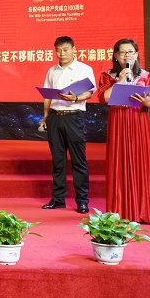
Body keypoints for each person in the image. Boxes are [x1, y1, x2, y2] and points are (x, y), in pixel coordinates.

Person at [95, 39, 150, 224]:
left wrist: (149, 103)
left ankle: (143, 211)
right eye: (122, 52)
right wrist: (120, 81)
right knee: (119, 162)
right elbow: (104, 98)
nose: (127, 56)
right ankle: (120, 211)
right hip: (118, 121)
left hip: (139, 121)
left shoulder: (147, 75)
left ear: (137, 54)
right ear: (116, 56)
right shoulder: (108, 76)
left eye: (130, 52)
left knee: (141, 162)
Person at [38, 35, 96, 213]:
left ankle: (82, 201)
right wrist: (45, 116)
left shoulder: (84, 69)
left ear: (73, 50)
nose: (61, 53)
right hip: (55, 117)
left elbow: (90, 92)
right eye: (58, 50)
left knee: (79, 160)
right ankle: (58, 199)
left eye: (65, 50)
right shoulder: (52, 71)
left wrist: (76, 98)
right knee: (58, 161)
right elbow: (47, 96)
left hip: (74, 117)